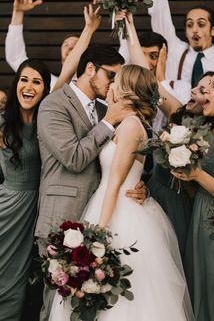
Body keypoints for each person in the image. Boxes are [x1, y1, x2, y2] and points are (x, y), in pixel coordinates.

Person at [48, 64, 194, 321]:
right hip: (110, 203)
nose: (110, 84)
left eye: (116, 80)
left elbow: (115, 182)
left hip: (117, 212)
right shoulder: (126, 123)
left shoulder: (130, 125)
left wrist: (96, 237)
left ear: (126, 90)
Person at [35, 44, 147, 321]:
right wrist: (108, 122)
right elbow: (73, 157)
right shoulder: (53, 105)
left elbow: (117, 161)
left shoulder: (104, 108)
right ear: (89, 69)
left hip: (101, 216)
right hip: (62, 217)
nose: (114, 84)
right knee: (56, 303)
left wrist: (135, 185)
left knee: (91, 307)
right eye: (111, 76)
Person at [172, 66, 214, 320]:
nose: (206, 90)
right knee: (195, 293)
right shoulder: (199, 133)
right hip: (196, 222)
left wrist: (197, 174)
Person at [0, 59, 50, 321]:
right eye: (24, 79)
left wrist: (88, 29)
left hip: (33, 209)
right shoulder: (2, 124)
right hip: (6, 209)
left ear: (45, 89)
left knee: (16, 288)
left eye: (37, 81)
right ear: (16, 83)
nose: (28, 86)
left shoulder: (47, 121)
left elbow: (65, 76)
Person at [147, 72, 214, 259]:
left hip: (180, 203)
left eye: (202, 90)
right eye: (195, 86)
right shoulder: (177, 114)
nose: (193, 90)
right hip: (154, 192)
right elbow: (154, 90)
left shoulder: (212, 136)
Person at [5, 0, 79, 90]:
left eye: (76, 44)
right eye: (65, 45)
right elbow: (15, 57)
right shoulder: (48, 82)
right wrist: (18, 12)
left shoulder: (98, 86)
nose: (70, 47)